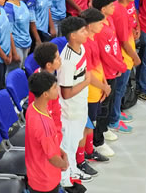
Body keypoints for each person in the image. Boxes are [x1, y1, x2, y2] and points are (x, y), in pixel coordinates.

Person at [57, 16, 92, 189]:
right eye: (82, 31)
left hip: (81, 104)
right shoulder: (67, 60)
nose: (86, 33)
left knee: (76, 139)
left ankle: (73, 170)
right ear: (72, 36)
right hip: (69, 110)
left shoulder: (82, 48)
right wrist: (86, 82)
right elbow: (66, 93)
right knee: (68, 145)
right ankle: (65, 179)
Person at [26, 71, 69, 193]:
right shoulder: (43, 125)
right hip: (45, 180)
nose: (58, 89)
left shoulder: (33, 108)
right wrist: (64, 164)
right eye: (55, 88)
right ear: (45, 94)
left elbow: (43, 144)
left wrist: (60, 150)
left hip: (35, 172)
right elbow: (52, 158)